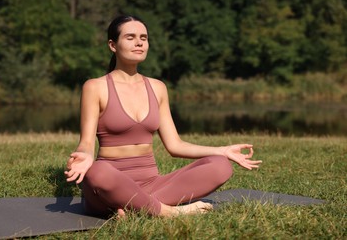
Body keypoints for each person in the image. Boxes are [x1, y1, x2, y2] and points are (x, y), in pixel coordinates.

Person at [64, 15, 262, 218]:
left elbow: (175, 145)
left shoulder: (157, 88)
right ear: (113, 45)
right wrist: (85, 157)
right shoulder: (95, 87)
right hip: (111, 182)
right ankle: (167, 212)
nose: (139, 42)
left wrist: (223, 150)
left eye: (144, 37)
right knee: (98, 172)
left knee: (220, 166)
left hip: (152, 183)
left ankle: (134, 206)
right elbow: (86, 143)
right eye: (130, 37)